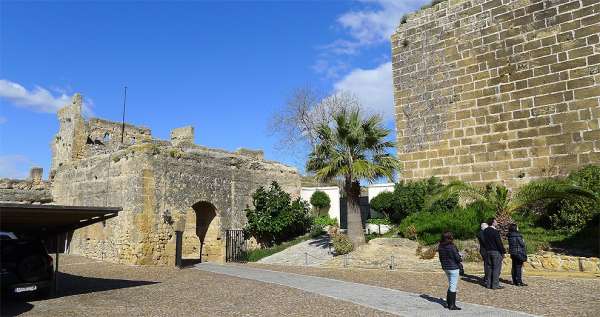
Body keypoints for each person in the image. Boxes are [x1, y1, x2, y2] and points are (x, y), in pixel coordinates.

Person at [438, 231, 462, 310]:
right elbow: (457, 258)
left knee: (451, 285)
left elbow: (441, 258)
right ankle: (452, 305)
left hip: (445, 267)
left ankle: (448, 303)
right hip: (453, 267)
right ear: (450, 237)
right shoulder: (452, 246)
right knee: (453, 286)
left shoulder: (440, 246)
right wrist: (460, 256)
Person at [482, 218, 506, 289]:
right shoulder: (495, 231)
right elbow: (499, 242)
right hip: (495, 251)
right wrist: (503, 251)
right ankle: (495, 285)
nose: (497, 222)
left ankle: (489, 284)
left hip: (488, 251)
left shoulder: (485, 231)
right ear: (492, 223)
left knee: (489, 268)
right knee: (496, 268)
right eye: (495, 221)